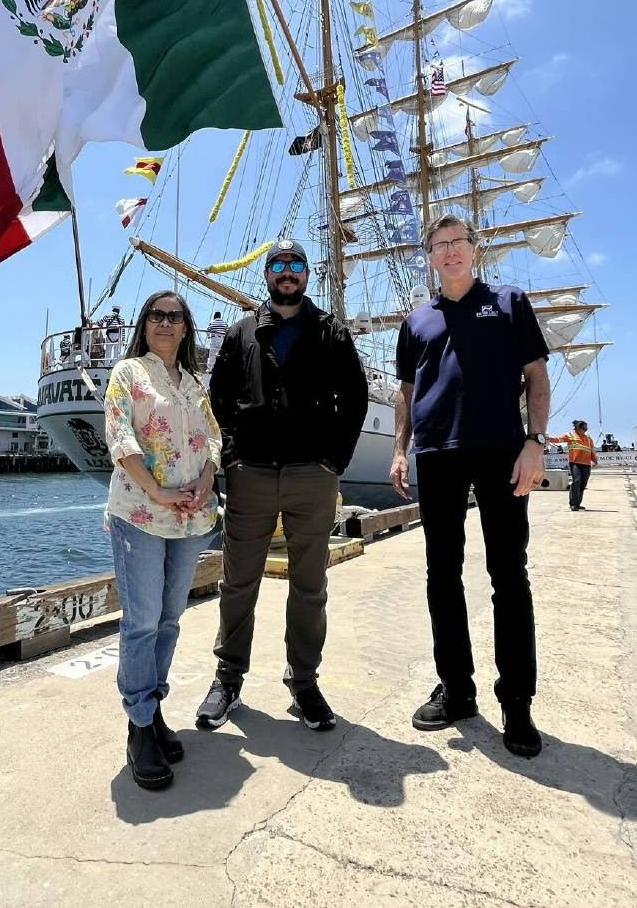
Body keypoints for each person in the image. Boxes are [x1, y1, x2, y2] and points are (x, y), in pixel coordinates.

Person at [390, 214, 550, 757]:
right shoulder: (417, 323)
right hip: (437, 454)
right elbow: (407, 392)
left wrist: (536, 441)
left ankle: (518, 702)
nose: (451, 252)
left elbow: (536, 377)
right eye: (440, 245)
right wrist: (398, 449)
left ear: (474, 250)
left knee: (508, 574)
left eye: (459, 242)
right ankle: (457, 689)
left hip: (502, 450)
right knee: (442, 576)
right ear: (430, 256)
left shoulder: (508, 303)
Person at [196, 239, 368, 733]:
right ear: (267, 275)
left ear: (307, 276)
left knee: (310, 584)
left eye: (295, 265)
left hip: (311, 476)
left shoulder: (329, 331)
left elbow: (354, 398)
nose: (287, 273)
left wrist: (334, 461)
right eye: (278, 265)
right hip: (251, 473)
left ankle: (304, 680)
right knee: (237, 581)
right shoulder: (241, 333)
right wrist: (230, 455)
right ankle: (228, 677)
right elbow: (219, 401)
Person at [101, 292, 222, 790]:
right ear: (144, 323)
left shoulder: (194, 382)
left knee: (170, 618)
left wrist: (207, 479)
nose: (166, 323)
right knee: (143, 620)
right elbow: (119, 436)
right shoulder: (128, 373)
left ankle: (153, 712)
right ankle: (138, 723)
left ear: (187, 327)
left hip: (190, 518)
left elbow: (213, 436)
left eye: (175, 316)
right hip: (141, 512)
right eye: (157, 315)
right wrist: (158, 490)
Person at [547, 419, 597, 511]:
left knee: (583, 484)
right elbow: (558, 439)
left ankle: (578, 503)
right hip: (575, 463)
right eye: (584, 428)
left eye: (586, 428)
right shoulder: (570, 435)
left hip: (586, 464)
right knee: (577, 481)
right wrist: (547, 438)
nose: (585, 430)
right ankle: (573, 504)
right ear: (578, 428)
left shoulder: (588, 438)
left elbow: (592, 450)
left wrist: (595, 459)